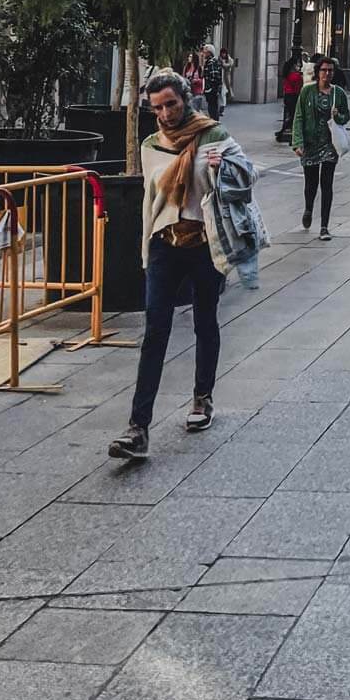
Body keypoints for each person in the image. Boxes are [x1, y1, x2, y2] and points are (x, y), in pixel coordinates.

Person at [108, 68, 257, 460]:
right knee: (155, 330)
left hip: (205, 245)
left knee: (205, 320)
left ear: (185, 100)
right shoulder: (151, 145)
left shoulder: (214, 135)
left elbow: (248, 177)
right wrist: (144, 251)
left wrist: (220, 168)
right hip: (164, 244)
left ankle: (201, 398)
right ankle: (137, 428)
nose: (164, 113)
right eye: (157, 107)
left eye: (171, 104)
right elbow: (148, 202)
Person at [292, 55, 350, 241]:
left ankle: (324, 226)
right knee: (311, 184)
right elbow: (299, 117)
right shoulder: (307, 92)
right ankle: (308, 208)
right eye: (324, 70)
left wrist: (338, 115)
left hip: (329, 145)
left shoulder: (338, 93)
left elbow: (346, 117)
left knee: (327, 185)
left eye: (330, 70)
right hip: (310, 144)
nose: (327, 74)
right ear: (317, 72)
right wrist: (297, 142)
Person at [276, 51, 304, 142]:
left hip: (287, 96)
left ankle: (283, 132)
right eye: (298, 64)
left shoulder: (288, 74)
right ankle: (284, 132)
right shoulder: (296, 76)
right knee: (294, 117)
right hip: (294, 97)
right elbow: (299, 88)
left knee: (292, 116)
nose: (299, 66)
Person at [201, 43, 223, 122]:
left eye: (205, 52)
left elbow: (214, 76)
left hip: (211, 90)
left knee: (212, 108)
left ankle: (214, 122)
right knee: (211, 107)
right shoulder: (208, 62)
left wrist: (211, 88)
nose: (203, 53)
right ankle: (214, 122)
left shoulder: (212, 62)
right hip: (209, 89)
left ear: (209, 52)